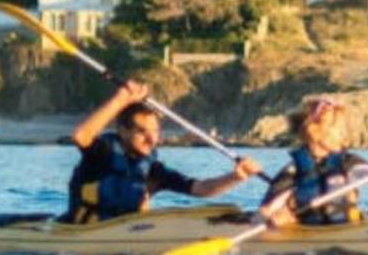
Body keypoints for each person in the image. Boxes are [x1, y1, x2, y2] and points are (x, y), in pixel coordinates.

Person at [63, 80, 259, 223]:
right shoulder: (102, 153)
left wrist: (236, 176)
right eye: (142, 132)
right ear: (122, 131)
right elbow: (80, 136)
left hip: (127, 234)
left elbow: (201, 189)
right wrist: (121, 98)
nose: (151, 139)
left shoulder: (152, 171)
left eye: (155, 131)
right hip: (82, 234)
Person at [257, 94, 368, 229]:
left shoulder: (348, 163)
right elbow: (261, 215)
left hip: (348, 232)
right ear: (315, 132)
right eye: (338, 130)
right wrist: (275, 222)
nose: (344, 137)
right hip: (309, 238)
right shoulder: (292, 172)